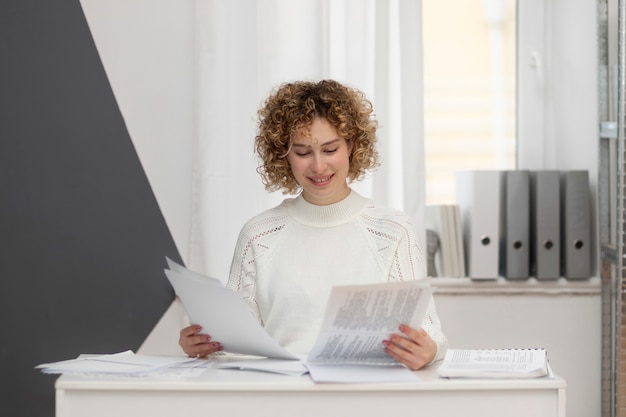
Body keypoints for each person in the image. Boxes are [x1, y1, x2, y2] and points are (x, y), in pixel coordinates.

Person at [179, 79, 448, 370]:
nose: (319, 167)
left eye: (330, 150)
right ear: (283, 154)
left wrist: (428, 351)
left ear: (352, 146)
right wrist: (205, 345)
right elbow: (234, 345)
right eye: (303, 153)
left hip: (365, 396)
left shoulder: (393, 230)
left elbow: (430, 332)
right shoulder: (260, 234)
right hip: (281, 396)